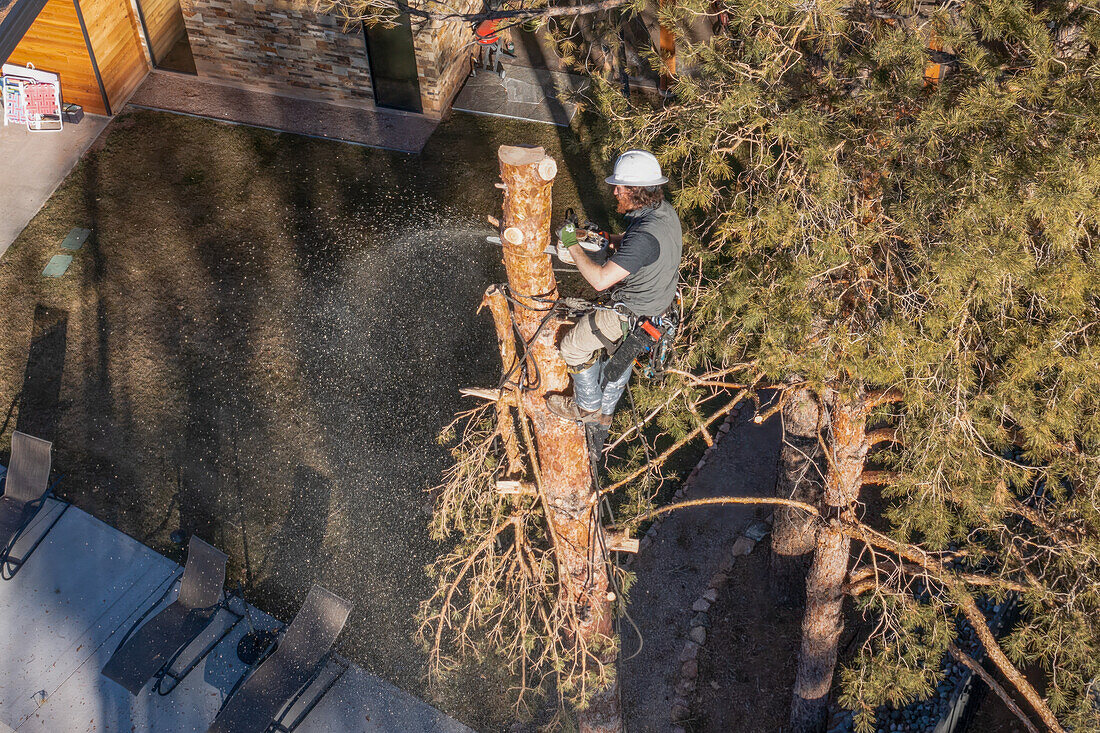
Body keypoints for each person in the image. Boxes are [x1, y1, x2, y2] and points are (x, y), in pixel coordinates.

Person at [546, 150, 683, 425]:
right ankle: (606, 413)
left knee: (572, 348)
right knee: (620, 358)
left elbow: (599, 280)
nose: (615, 192)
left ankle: (585, 407)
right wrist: (607, 239)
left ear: (636, 189)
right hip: (656, 309)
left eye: (620, 187)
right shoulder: (662, 213)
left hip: (630, 311)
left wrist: (572, 243)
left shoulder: (645, 235)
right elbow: (636, 245)